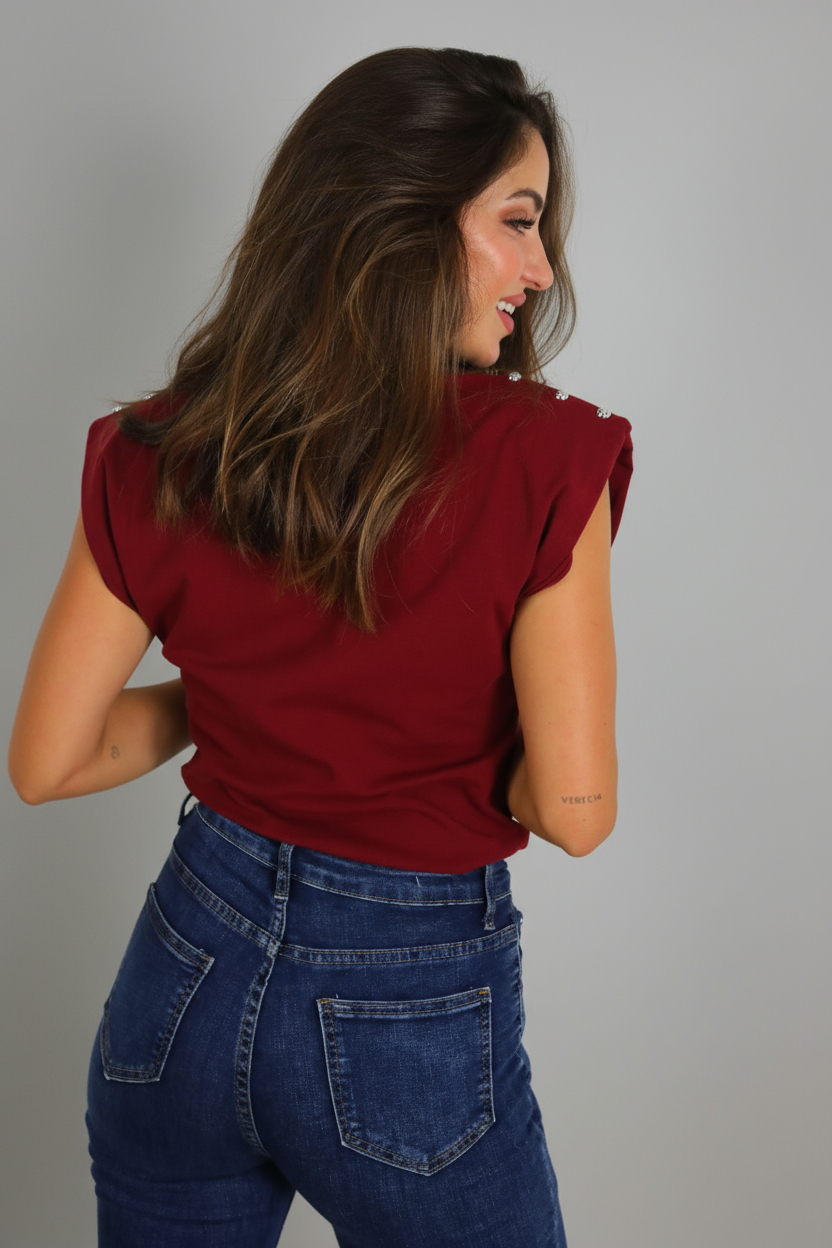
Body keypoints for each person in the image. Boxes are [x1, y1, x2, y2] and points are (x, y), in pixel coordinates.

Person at [8, 46, 632, 1248]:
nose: (541, 268)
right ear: (401, 221)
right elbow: (575, 809)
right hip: (408, 1009)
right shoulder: (550, 461)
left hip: (180, 981)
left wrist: (231, 693)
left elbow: (49, 761)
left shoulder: (160, 447)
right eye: (517, 221)